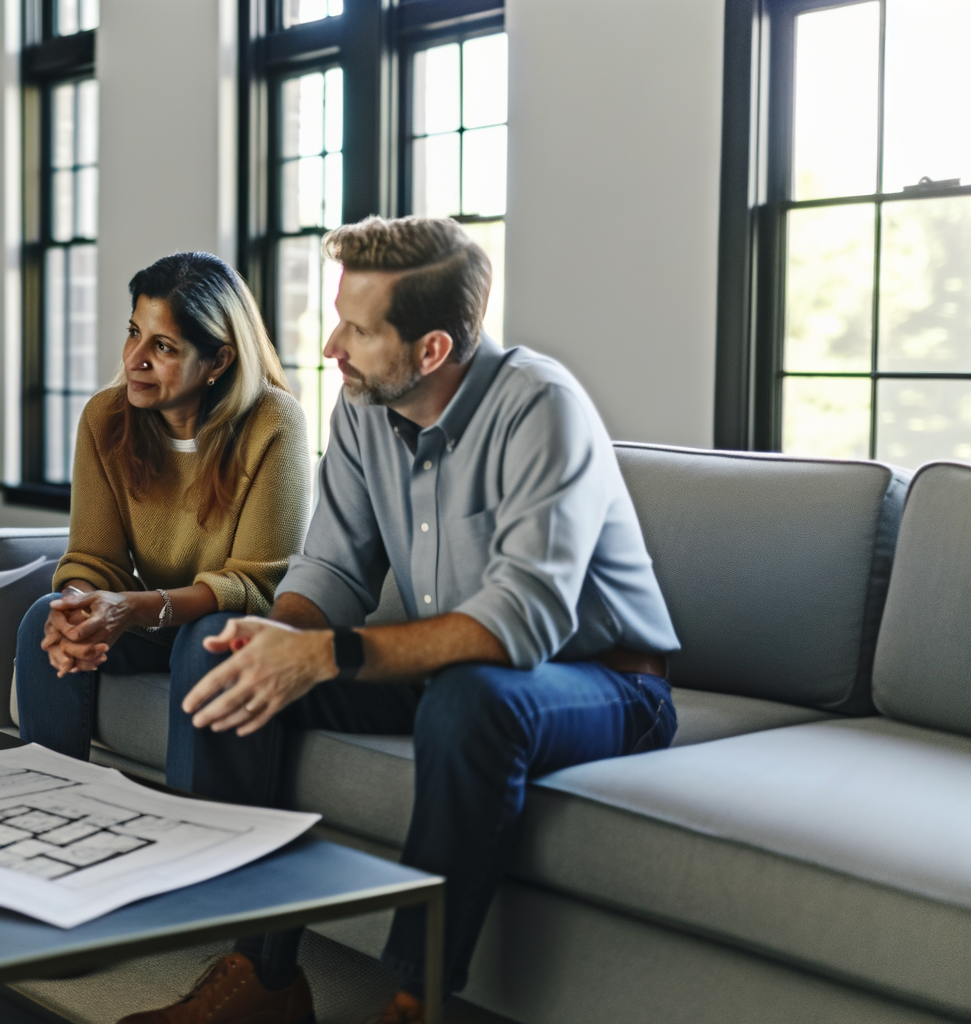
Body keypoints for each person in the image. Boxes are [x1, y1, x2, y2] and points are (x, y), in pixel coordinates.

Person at [116, 217, 679, 1024]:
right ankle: (258, 976)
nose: (330, 347)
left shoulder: (541, 408)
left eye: (358, 329)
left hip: (601, 684)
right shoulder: (364, 410)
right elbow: (333, 572)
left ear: (433, 351)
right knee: (218, 653)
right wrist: (279, 638)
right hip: (442, 666)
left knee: (473, 698)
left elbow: (519, 624)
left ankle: (415, 998)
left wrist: (321, 656)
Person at [15, 252, 311, 790]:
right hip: (154, 623)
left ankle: (194, 835)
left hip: (232, 624)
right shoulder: (104, 419)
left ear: (218, 361)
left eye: (164, 347)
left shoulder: (275, 423)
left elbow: (256, 587)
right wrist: (81, 606)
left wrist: (129, 607)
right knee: (45, 615)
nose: (135, 359)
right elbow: (93, 559)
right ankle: (48, 805)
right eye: (134, 332)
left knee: (207, 638)